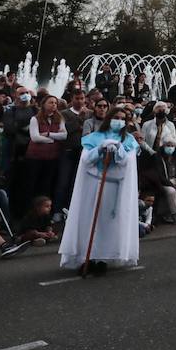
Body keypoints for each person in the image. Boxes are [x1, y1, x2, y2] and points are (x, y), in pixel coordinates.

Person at [59, 106, 141, 275]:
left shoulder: (129, 140)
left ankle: (103, 257)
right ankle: (85, 258)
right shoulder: (94, 138)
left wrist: (118, 150)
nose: (119, 120)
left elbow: (127, 163)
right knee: (88, 220)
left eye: (122, 118)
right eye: (116, 117)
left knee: (107, 223)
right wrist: (100, 149)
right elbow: (86, 160)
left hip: (113, 186)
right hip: (93, 183)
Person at [25, 96, 67, 211]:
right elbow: (35, 137)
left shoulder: (60, 118)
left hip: (52, 157)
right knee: (32, 184)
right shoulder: (35, 119)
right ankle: (29, 210)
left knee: (46, 185)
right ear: (44, 104)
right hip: (35, 157)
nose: (53, 105)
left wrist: (48, 135)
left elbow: (64, 135)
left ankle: (44, 210)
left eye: (55, 103)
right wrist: (53, 140)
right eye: (51, 102)